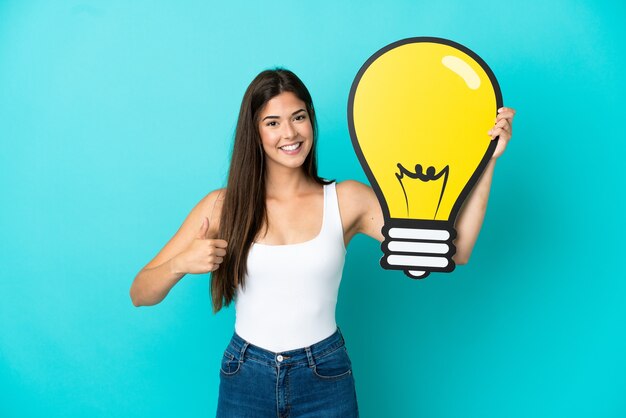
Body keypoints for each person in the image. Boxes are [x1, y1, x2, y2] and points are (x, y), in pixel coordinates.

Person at [129, 68, 516, 417]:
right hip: (245, 375)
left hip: (324, 375)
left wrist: (489, 161)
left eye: (298, 117)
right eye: (272, 122)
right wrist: (181, 263)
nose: (290, 133)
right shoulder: (223, 206)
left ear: (311, 120)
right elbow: (140, 292)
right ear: (255, 131)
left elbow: (456, 249)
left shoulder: (346, 200)